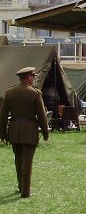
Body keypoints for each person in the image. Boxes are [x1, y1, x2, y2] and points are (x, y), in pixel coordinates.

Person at [0, 66, 49, 198]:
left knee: (18, 160)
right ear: (28, 78)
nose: (33, 78)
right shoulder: (35, 93)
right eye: (33, 76)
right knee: (27, 161)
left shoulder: (9, 92)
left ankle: (21, 185)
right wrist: (45, 134)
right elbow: (42, 116)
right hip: (29, 130)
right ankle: (25, 191)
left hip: (14, 130)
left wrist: (2, 134)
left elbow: (3, 115)